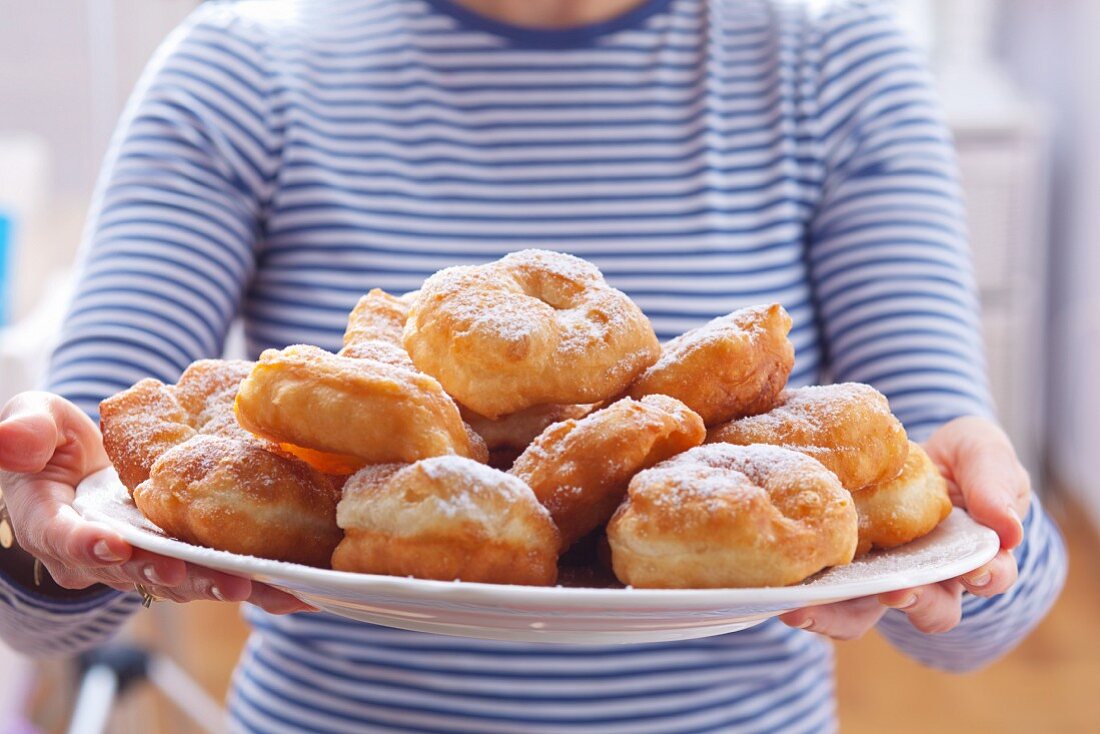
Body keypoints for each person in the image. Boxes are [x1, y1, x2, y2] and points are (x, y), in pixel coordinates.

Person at [0, 0, 1067, 731]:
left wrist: (976, 558)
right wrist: (30, 529)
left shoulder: (836, 63)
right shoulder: (238, 67)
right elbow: (96, 498)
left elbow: (953, 542)